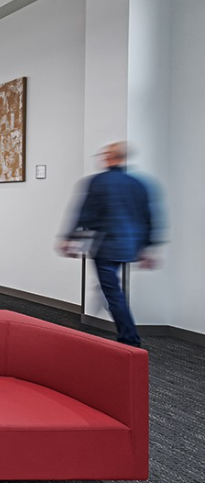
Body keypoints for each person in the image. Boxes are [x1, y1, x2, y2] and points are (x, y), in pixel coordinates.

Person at [59, 141, 158, 347]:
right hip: (130, 245)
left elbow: (85, 212)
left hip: (107, 246)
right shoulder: (138, 184)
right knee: (112, 288)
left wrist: (70, 238)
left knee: (113, 293)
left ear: (112, 157)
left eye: (105, 154)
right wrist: (148, 247)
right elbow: (149, 217)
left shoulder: (98, 182)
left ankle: (130, 338)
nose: (103, 158)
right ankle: (104, 302)